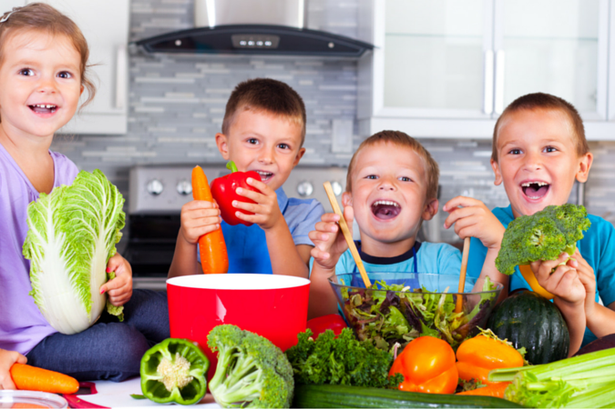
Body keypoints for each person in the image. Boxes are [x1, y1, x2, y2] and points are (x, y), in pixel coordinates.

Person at [0, 3, 168, 386]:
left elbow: (95, 255)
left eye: (64, 74)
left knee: (163, 312)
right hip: (22, 340)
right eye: (26, 71)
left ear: (81, 87)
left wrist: (117, 272)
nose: (47, 86)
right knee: (123, 348)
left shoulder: (68, 173)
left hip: (76, 315)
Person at [444, 92, 615, 354]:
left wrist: (587, 307)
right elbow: (473, 329)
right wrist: (500, 246)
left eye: (550, 149)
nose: (532, 163)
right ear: (497, 169)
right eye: (515, 151)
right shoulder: (486, 232)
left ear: (582, 166)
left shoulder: (600, 235)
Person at [308, 130, 508, 319]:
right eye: (371, 176)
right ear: (349, 201)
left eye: (405, 178)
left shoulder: (441, 262)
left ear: (428, 208)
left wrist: (498, 247)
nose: (386, 183)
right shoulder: (338, 262)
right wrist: (325, 267)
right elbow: (320, 323)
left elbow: (473, 317)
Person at [169, 78, 324, 278]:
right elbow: (183, 295)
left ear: (297, 158)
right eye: (253, 141)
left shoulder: (306, 215)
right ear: (224, 146)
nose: (267, 157)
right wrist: (186, 238)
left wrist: (275, 225)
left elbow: (298, 289)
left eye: (283, 146)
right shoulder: (208, 211)